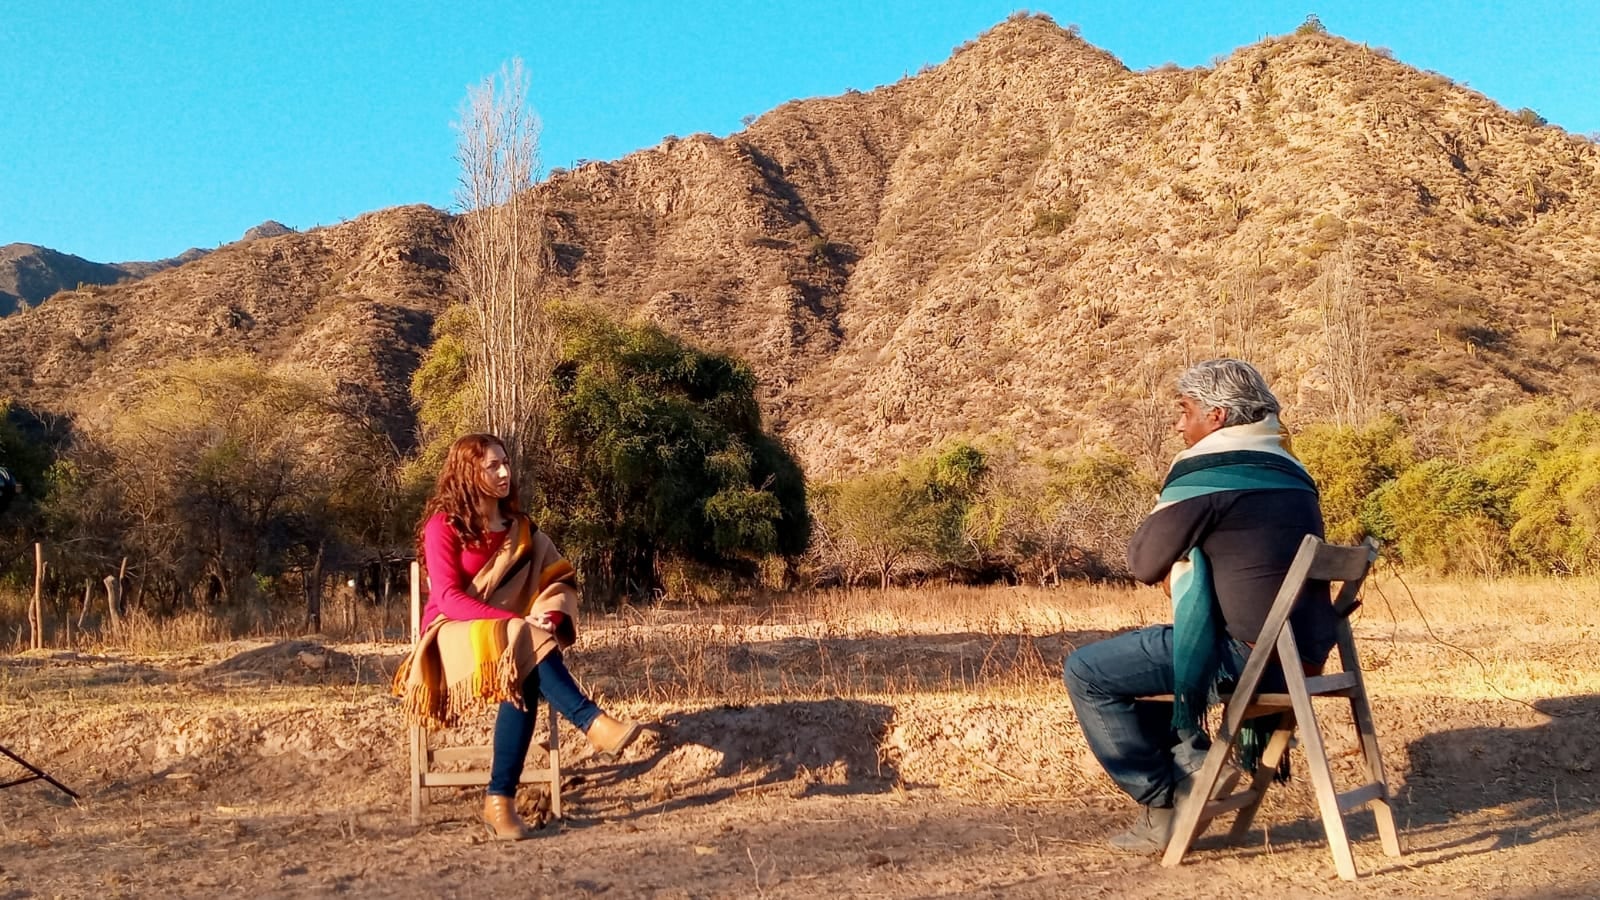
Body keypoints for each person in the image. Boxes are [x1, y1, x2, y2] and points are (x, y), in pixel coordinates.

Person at [1064, 359, 1337, 853]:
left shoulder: (1213, 468)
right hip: (1303, 662)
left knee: (1087, 671)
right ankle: (1191, 757)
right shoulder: (1291, 468)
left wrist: (1173, 521)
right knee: (1146, 661)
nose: (1178, 424)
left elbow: (1144, 563)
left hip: (1247, 659)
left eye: (1184, 410)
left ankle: (1166, 798)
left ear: (1216, 416)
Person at [393, 433, 642, 840]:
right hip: (451, 636)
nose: (505, 472)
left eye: (505, 463)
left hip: (511, 640)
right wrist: (520, 623)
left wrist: (549, 612)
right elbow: (449, 598)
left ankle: (498, 802)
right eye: (493, 466)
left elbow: (557, 575)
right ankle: (591, 721)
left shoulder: (520, 529)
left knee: (523, 671)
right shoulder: (444, 525)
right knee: (518, 635)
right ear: (467, 471)